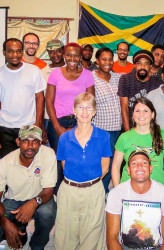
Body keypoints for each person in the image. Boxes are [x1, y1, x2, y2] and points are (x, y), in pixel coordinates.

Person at [0, 125, 56, 250]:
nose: (30, 146)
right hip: (14, 201)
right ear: (18, 142)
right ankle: (18, 228)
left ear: (40, 143)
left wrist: (33, 203)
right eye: (25, 141)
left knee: (48, 213)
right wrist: (5, 222)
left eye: (35, 141)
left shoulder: (48, 154)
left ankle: (37, 245)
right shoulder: (4, 163)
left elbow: (48, 190)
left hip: (40, 198)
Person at [54, 92, 112, 250]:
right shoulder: (65, 138)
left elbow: (105, 167)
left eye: (89, 108)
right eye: (80, 107)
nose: (84, 112)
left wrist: (90, 183)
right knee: (66, 234)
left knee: (92, 235)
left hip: (93, 190)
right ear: (74, 111)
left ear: (94, 111)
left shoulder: (103, 137)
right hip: (69, 191)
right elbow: (65, 166)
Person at [46, 42, 95, 192]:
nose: (72, 58)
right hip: (58, 121)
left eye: (76, 55)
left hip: (79, 122)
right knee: (59, 160)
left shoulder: (87, 75)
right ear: (64, 55)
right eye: (69, 55)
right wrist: (57, 127)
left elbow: (90, 101)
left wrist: (82, 126)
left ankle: (75, 192)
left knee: (78, 159)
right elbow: (49, 101)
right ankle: (56, 195)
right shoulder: (55, 74)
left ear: (80, 57)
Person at [106, 150, 164, 250]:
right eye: (134, 163)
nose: (139, 166)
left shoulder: (163, 194)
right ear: (128, 170)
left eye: (144, 163)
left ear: (150, 169)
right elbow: (112, 238)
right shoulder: (116, 194)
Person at [0, 38, 46, 158]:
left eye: (18, 51)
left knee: (29, 164)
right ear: (4, 52)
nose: (15, 55)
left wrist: (37, 124)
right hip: (5, 128)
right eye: (10, 51)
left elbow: (40, 99)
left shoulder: (34, 71)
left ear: (22, 52)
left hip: (29, 127)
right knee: (8, 166)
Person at [112, 97, 164, 187]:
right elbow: (115, 167)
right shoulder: (124, 137)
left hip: (156, 190)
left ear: (152, 115)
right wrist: (117, 191)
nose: (141, 114)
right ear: (132, 114)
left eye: (145, 111)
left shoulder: (163, 136)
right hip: (128, 190)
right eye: (137, 111)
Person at [92, 47, 122, 193]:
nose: (108, 62)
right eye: (104, 59)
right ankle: (100, 192)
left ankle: (108, 192)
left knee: (115, 164)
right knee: (105, 164)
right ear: (97, 61)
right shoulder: (91, 78)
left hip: (119, 129)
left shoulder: (117, 77)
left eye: (110, 59)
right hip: (102, 129)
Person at [118, 50, 163, 131]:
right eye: (139, 63)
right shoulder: (125, 79)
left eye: (146, 63)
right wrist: (128, 132)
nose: (142, 66)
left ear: (150, 66)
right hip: (131, 127)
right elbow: (124, 107)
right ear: (134, 65)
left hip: (150, 129)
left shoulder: (157, 83)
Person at [41, 39, 65, 145]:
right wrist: (41, 125)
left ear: (63, 51)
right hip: (48, 119)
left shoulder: (72, 69)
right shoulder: (42, 73)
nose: (55, 55)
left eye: (58, 51)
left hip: (69, 119)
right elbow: (41, 100)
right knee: (49, 155)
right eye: (51, 52)